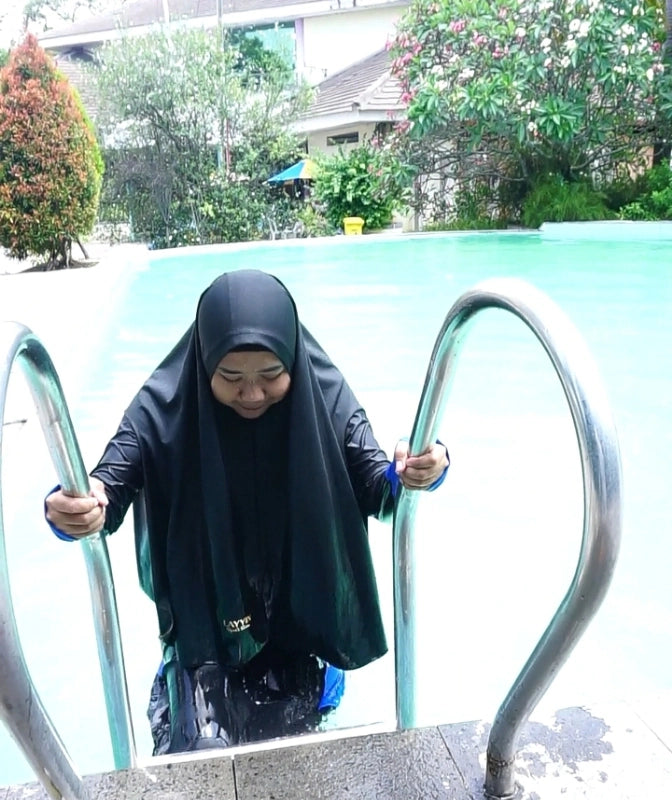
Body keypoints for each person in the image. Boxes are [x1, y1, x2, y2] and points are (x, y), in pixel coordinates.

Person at [45, 270, 448, 754]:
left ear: (293, 360)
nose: (252, 394)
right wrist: (75, 508)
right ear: (204, 361)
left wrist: (418, 470)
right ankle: (178, 679)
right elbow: (106, 490)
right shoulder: (161, 406)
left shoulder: (327, 396)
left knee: (299, 749)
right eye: (231, 378)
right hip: (204, 627)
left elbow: (380, 490)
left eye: (271, 375)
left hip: (297, 621)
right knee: (200, 753)